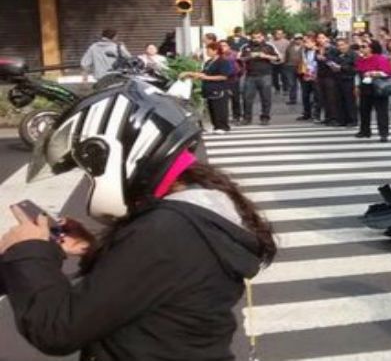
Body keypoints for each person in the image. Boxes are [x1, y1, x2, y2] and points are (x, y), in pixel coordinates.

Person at [0, 81, 276, 360]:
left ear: (116, 154)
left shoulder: (165, 231)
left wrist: (27, 252)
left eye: (90, 172)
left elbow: (57, 329)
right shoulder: (197, 208)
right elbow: (160, 282)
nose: (90, 181)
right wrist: (100, 251)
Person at [182, 42, 234, 134]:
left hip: (219, 88)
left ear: (215, 51)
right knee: (212, 108)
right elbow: (203, 73)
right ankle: (216, 126)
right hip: (209, 89)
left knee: (220, 108)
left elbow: (223, 76)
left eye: (208, 50)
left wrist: (206, 77)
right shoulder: (209, 62)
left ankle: (223, 126)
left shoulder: (223, 61)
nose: (207, 52)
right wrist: (190, 74)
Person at [355, 41, 391, 142]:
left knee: (381, 111)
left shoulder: (380, 59)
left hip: (379, 87)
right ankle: (365, 130)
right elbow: (358, 73)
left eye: (364, 46)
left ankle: (383, 133)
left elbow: (387, 72)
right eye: (361, 47)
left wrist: (373, 73)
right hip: (365, 86)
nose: (362, 49)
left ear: (371, 48)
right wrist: (357, 86)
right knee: (364, 110)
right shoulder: (360, 60)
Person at [240, 29, 280, 126]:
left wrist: (265, 56)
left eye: (258, 37)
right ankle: (247, 118)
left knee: (266, 98)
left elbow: (278, 58)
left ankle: (265, 118)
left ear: (262, 37)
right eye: (254, 38)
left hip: (265, 75)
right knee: (247, 98)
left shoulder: (269, 46)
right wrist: (250, 56)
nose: (256, 39)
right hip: (250, 75)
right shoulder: (246, 46)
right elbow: (240, 58)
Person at [314, 34, 341, 126]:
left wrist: (324, 58)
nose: (320, 40)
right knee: (323, 97)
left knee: (331, 97)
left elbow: (335, 60)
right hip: (321, 75)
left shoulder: (332, 49)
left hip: (330, 76)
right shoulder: (318, 49)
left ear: (327, 39)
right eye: (319, 38)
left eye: (322, 38)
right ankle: (327, 117)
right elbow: (316, 60)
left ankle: (334, 118)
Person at [334, 39, 359, 127]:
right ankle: (342, 120)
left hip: (349, 79)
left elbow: (356, 68)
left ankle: (352, 119)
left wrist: (343, 68)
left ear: (347, 45)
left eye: (342, 45)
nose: (340, 47)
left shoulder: (353, 55)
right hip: (339, 79)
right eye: (338, 45)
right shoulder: (338, 55)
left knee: (350, 101)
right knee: (340, 100)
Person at [220, 40, 244, 125]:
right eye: (221, 45)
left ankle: (236, 116)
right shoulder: (218, 56)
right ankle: (224, 117)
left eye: (224, 45)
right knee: (223, 99)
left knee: (235, 99)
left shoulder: (234, 54)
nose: (222, 47)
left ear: (228, 46)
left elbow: (242, 66)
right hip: (222, 80)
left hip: (233, 79)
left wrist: (238, 74)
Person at [281, 34, 304, 105]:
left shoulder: (305, 47)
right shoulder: (289, 47)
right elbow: (286, 57)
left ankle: (305, 99)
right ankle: (292, 99)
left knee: (303, 84)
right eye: (296, 39)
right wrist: (285, 65)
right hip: (290, 67)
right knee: (292, 84)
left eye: (300, 39)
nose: (298, 40)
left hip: (301, 67)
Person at [269, 29, 290, 94]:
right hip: (273, 62)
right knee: (274, 77)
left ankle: (285, 89)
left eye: (281, 34)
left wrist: (286, 59)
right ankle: (277, 89)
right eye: (278, 33)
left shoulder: (286, 42)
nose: (279, 35)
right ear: (275, 34)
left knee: (284, 76)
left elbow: (289, 52)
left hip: (283, 62)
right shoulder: (270, 42)